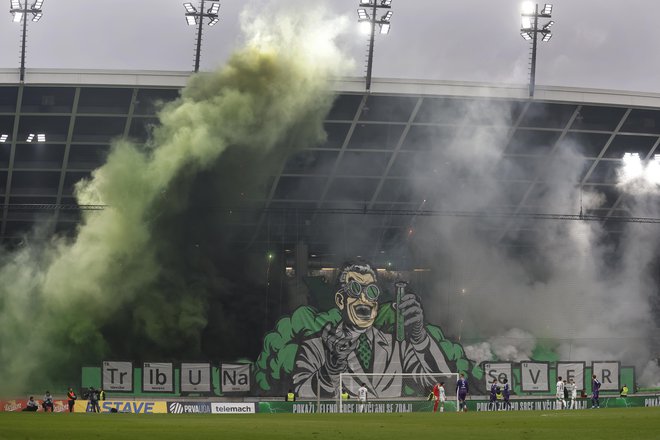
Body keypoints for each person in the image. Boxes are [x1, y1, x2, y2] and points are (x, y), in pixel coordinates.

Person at [292, 262, 454, 398]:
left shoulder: (397, 345)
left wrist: (419, 337)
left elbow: (440, 381)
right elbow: (302, 391)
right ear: (341, 300)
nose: (364, 299)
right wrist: (330, 369)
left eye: (371, 291)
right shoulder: (316, 347)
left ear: (376, 302)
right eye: (355, 289)